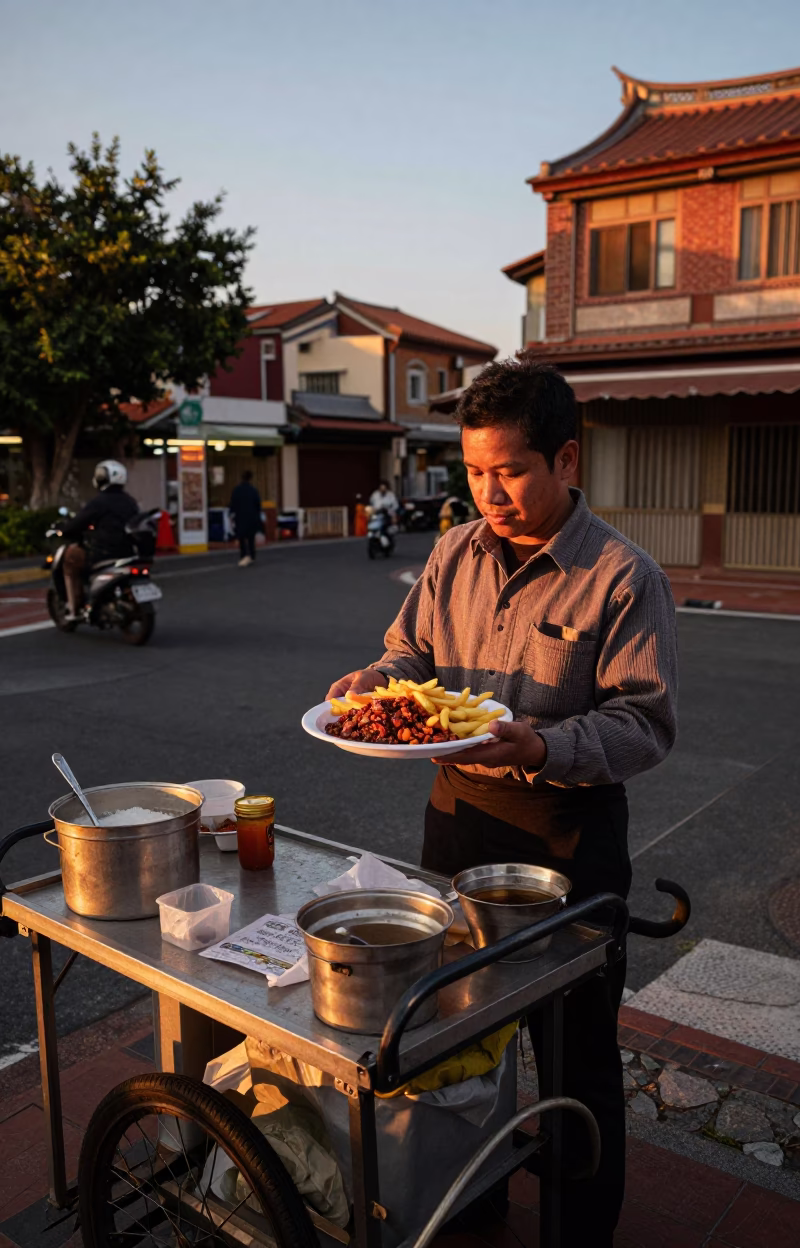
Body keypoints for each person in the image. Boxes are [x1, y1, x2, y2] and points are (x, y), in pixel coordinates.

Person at [326, 358, 678, 1246]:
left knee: (576, 1057)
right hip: (456, 826)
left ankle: (578, 1226)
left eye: (510, 470)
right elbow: (410, 654)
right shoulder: (451, 553)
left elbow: (644, 724)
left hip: (567, 843)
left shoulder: (623, 576)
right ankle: (469, 1207)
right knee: (454, 1040)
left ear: (565, 460)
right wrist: (374, 680)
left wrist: (546, 745)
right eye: (474, 471)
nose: (491, 492)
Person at [61, 459, 139, 621]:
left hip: (104, 553)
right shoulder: (130, 501)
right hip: (129, 552)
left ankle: (74, 608)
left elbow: (79, 522)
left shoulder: (99, 502)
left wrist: (64, 531)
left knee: (71, 558)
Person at [229, 470, 262, 567]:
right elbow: (257, 505)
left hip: (240, 517)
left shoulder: (237, 490)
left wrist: (232, 514)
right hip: (251, 517)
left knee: (241, 538)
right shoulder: (253, 490)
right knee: (251, 538)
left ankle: (243, 555)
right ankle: (252, 555)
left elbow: (233, 504)